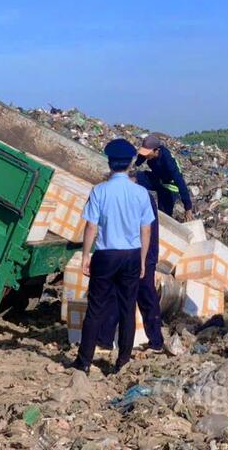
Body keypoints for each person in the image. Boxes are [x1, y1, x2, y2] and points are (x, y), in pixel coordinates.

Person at [71, 139, 154, 375]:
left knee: (95, 308)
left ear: (109, 163)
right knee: (127, 308)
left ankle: (84, 361)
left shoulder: (99, 191)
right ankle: (122, 361)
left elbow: (91, 227)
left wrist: (86, 255)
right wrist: (142, 259)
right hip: (131, 255)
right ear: (130, 164)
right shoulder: (140, 193)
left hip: (105, 254)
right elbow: (145, 229)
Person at [99, 177, 164, 352]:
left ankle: (156, 341)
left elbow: (145, 230)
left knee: (145, 298)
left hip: (142, 255)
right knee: (116, 295)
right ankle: (104, 338)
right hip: (129, 255)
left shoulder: (141, 199)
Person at [134, 134, 194, 221]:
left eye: (147, 153)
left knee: (163, 218)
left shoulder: (168, 161)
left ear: (156, 150)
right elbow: (140, 158)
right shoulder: (149, 153)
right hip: (158, 178)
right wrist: (134, 165)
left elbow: (180, 181)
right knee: (133, 177)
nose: (145, 155)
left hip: (170, 186)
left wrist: (188, 207)